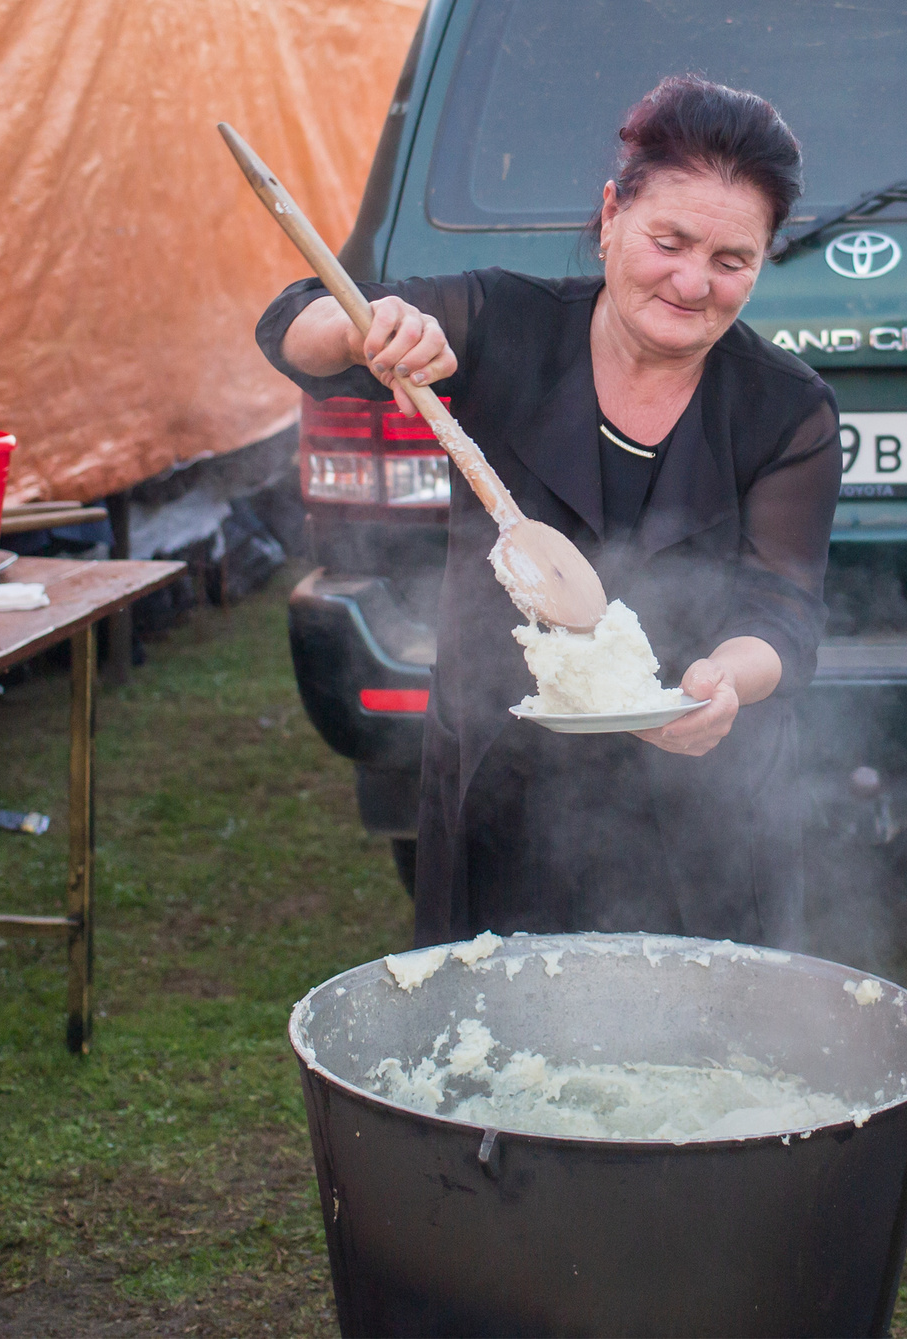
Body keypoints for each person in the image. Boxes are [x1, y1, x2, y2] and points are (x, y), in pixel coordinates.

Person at [258, 74, 842, 948]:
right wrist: (362, 329)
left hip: (708, 805)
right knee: (501, 1051)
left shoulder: (787, 409)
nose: (693, 283)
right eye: (670, 240)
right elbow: (292, 323)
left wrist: (727, 680)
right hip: (504, 783)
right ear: (611, 216)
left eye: (732, 261)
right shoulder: (501, 323)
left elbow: (784, 611)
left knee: (705, 1061)